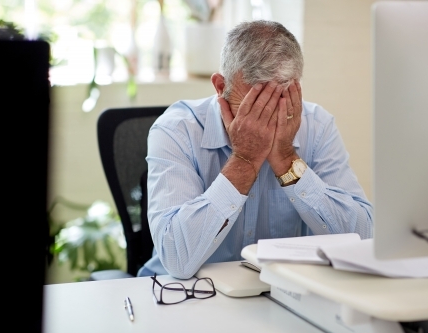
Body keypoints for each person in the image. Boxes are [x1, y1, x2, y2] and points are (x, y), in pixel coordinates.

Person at [138, 20, 373, 279]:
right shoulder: (177, 130)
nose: (267, 122)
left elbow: (364, 240)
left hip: (277, 293)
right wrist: (244, 159)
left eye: (280, 103)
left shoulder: (317, 126)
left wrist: (287, 160)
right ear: (220, 87)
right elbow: (176, 257)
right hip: (183, 294)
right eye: (254, 108)